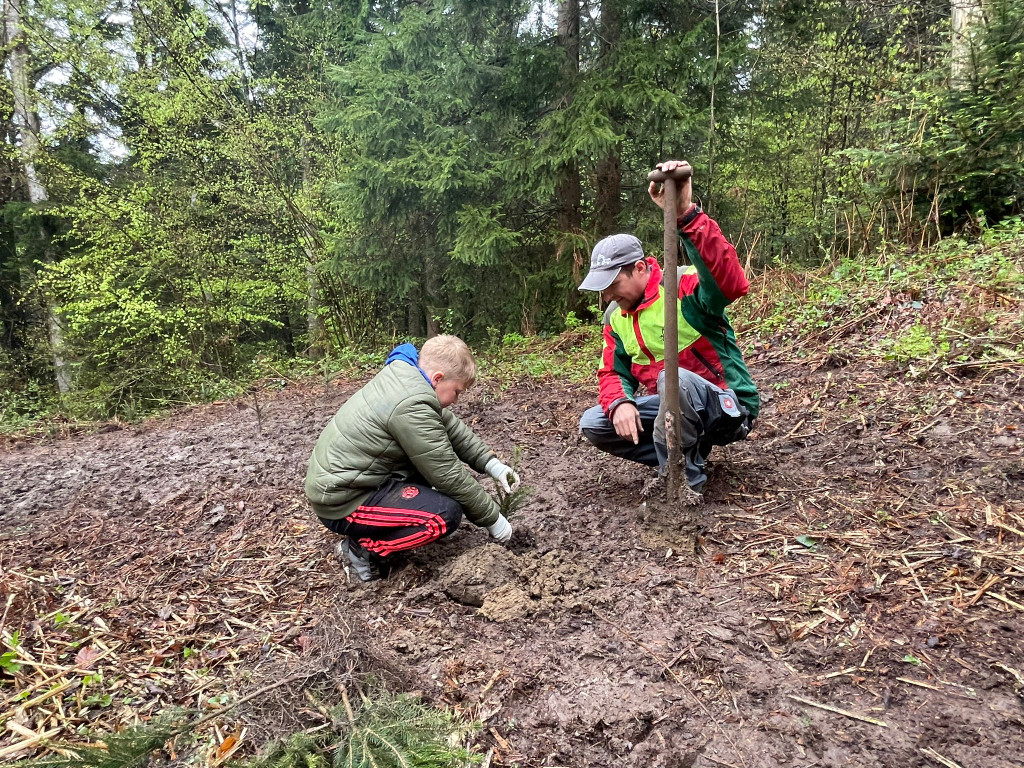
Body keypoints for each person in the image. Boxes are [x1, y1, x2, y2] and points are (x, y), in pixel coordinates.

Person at [577, 160, 759, 492]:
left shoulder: (684, 287)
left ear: (639, 268)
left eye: (612, 284)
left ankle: (682, 486)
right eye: (601, 288)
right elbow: (612, 373)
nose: (606, 296)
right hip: (675, 414)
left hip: (727, 407)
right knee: (595, 422)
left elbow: (731, 284)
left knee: (670, 379)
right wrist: (620, 403)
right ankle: (680, 458)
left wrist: (686, 214)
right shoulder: (616, 317)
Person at [305, 335, 520, 582]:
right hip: (343, 501)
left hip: (357, 480)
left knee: (430, 484)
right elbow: (447, 474)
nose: (457, 400)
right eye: (457, 392)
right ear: (438, 378)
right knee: (443, 517)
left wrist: (492, 464)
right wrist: (494, 521)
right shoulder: (411, 404)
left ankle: (384, 530)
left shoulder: (407, 376)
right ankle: (360, 549)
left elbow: (450, 428)